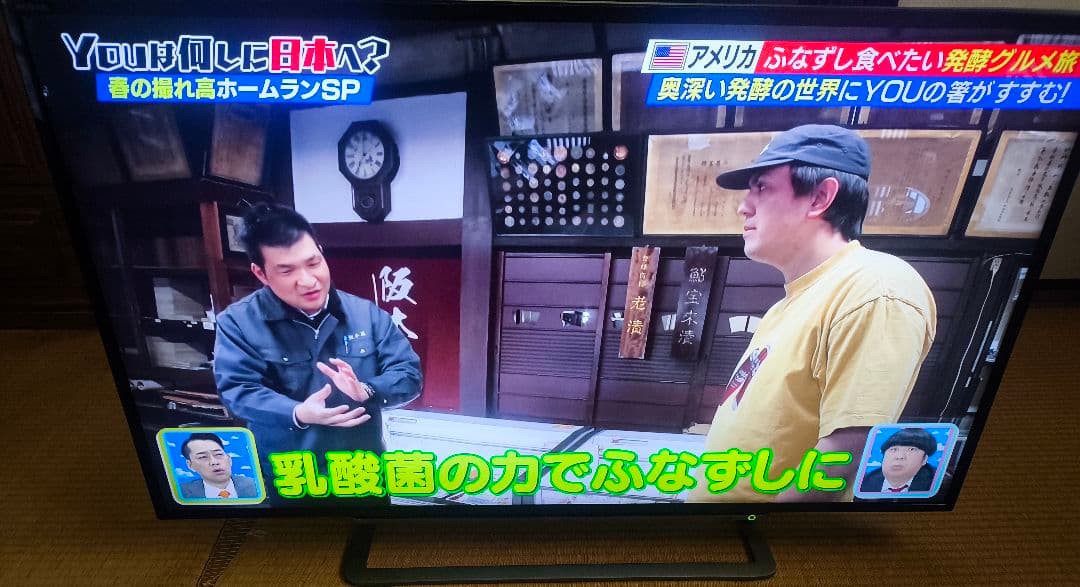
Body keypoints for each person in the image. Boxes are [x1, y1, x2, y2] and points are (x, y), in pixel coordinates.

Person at [687, 124, 937, 503]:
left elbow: (846, 451)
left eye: (762, 187)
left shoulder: (876, 288)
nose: (743, 206)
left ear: (820, 197)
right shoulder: (789, 303)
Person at [213, 203, 422, 495]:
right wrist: (297, 412)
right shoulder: (237, 322)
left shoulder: (366, 314)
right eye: (287, 270)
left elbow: (408, 375)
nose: (308, 281)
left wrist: (367, 390)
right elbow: (238, 390)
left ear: (321, 253)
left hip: (361, 473)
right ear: (261, 273)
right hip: (289, 478)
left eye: (313, 263)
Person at [178, 432, 259, 499]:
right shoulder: (181, 492)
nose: (214, 462)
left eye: (218, 454)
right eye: (203, 457)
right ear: (190, 465)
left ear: (229, 459)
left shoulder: (255, 486)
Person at [859, 428, 938, 493]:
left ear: (924, 459)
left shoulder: (936, 482)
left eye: (911, 449)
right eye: (894, 449)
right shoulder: (864, 481)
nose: (899, 456)